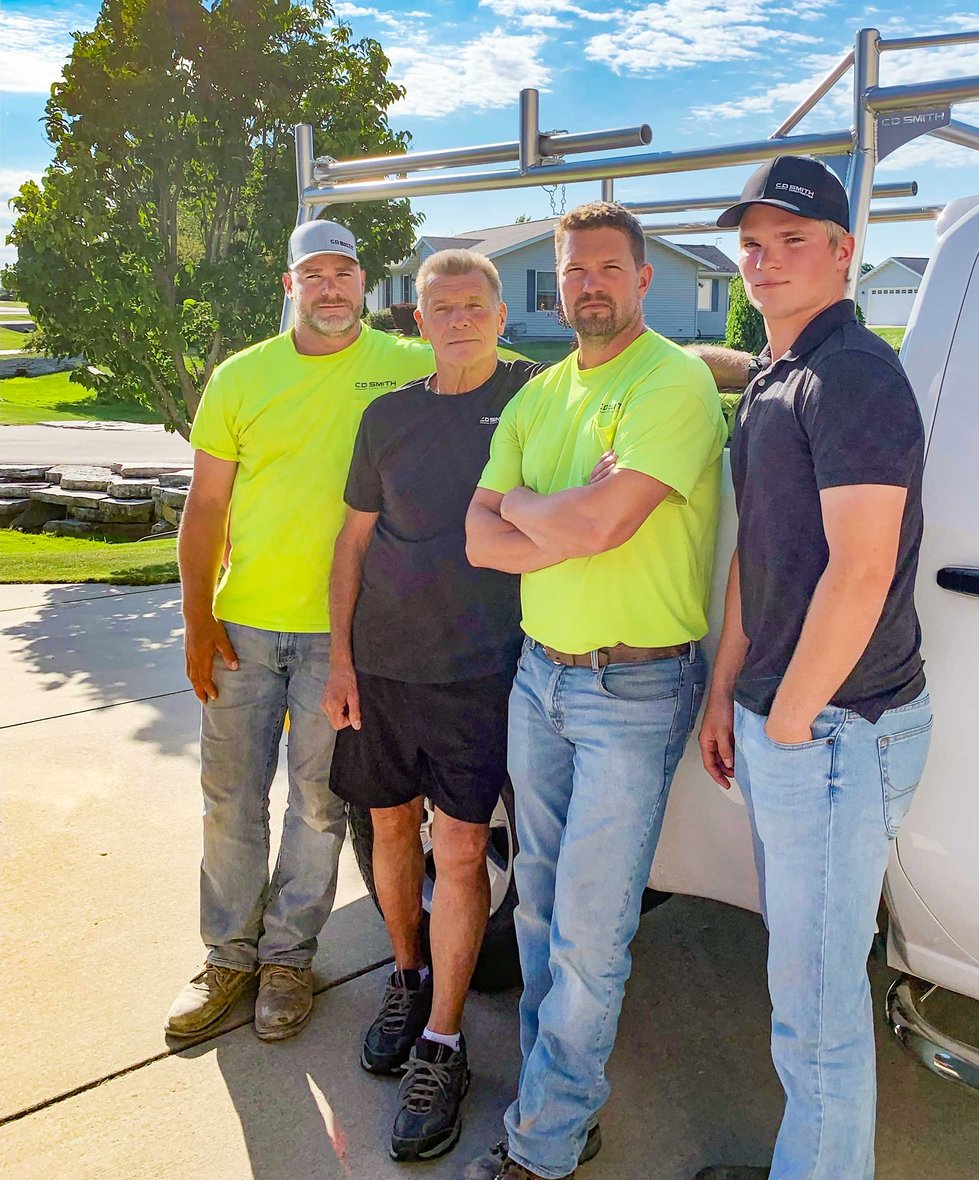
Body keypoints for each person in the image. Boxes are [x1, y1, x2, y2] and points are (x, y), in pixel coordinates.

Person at [463, 201, 726, 1180]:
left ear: (644, 277)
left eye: (607, 268)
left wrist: (540, 512)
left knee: (587, 928)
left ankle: (543, 1142)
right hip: (540, 678)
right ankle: (553, 1096)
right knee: (535, 907)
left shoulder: (674, 382)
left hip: (632, 688)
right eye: (572, 271)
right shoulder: (540, 397)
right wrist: (552, 510)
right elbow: (477, 536)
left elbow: (604, 529)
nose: (587, 286)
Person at [693, 157, 932, 1180]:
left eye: (794, 239)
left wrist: (788, 721)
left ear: (844, 251)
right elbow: (763, 555)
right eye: (752, 243)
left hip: (836, 730)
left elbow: (863, 565)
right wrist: (727, 691)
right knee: (800, 985)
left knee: (819, 1000)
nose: (766, 260)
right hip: (787, 719)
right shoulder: (776, 378)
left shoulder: (855, 375)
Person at [166, 220, 435, 1043]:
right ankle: (227, 959)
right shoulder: (241, 378)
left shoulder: (407, 367)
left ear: (366, 285)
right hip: (246, 626)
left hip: (343, 635)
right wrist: (196, 617)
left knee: (319, 807)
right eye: (313, 273)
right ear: (290, 286)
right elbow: (206, 505)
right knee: (230, 801)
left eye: (344, 272)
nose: (330, 287)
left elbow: (539, 377)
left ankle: (288, 960)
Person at [322, 249, 547, 1162]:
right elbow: (351, 544)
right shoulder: (387, 416)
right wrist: (339, 660)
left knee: (459, 849)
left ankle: (444, 1044)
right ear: (418, 320)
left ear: (501, 314)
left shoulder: (537, 398)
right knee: (387, 829)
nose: (457, 319)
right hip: (380, 668)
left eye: (473, 304)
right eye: (439, 307)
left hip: (478, 673)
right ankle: (408, 978)